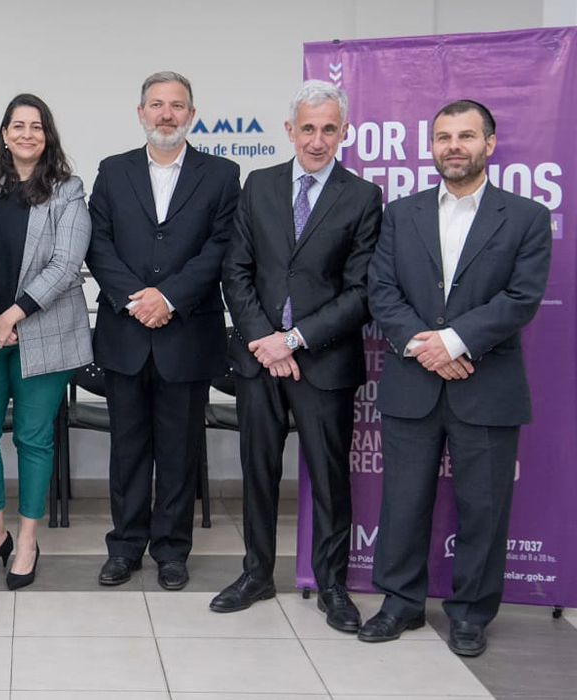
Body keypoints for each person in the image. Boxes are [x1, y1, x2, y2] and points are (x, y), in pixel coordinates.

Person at [361, 100, 551, 657]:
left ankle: (470, 615)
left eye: (466, 136)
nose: (454, 146)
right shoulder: (401, 213)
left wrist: (452, 341)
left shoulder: (525, 217)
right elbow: (382, 290)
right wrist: (427, 346)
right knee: (401, 503)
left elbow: (521, 298)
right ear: (432, 147)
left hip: (488, 386)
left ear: (490, 144)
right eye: (443, 136)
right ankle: (399, 605)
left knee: (484, 509)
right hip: (413, 383)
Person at [217, 80, 381, 630]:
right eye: (307, 128)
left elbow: (361, 292)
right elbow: (236, 271)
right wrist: (267, 339)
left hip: (323, 362)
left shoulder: (362, 197)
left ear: (344, 133)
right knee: (257, 470)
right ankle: (256, 574)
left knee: (331, 477)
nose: (317, 139)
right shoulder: (258, 185)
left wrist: (294, 340)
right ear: (290, 131)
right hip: (258, 358)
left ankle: (333, 586)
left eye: (328, 128)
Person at [86, 71, 240, 590]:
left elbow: (222, 248)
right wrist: (138, 299)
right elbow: (98, 244)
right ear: (141, 113)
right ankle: (125, 547)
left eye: (177, 106)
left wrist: (169, 298)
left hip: (187, 335)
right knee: (127, 449)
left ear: (192, 115)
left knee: (179, 449)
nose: (166, 114)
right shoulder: (113, 170)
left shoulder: (221, 174)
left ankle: (172, 550)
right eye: (157, 105)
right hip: (126, 334)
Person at [0, 93, 92, 590]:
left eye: (36, 126)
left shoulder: (67, 189)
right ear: (3, 133)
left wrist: (11, 315)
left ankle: (27, 540)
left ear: (48, 135)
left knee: (32, 439)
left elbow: (65, 264)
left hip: (46, 333)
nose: (26, 134)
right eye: (17, 125)